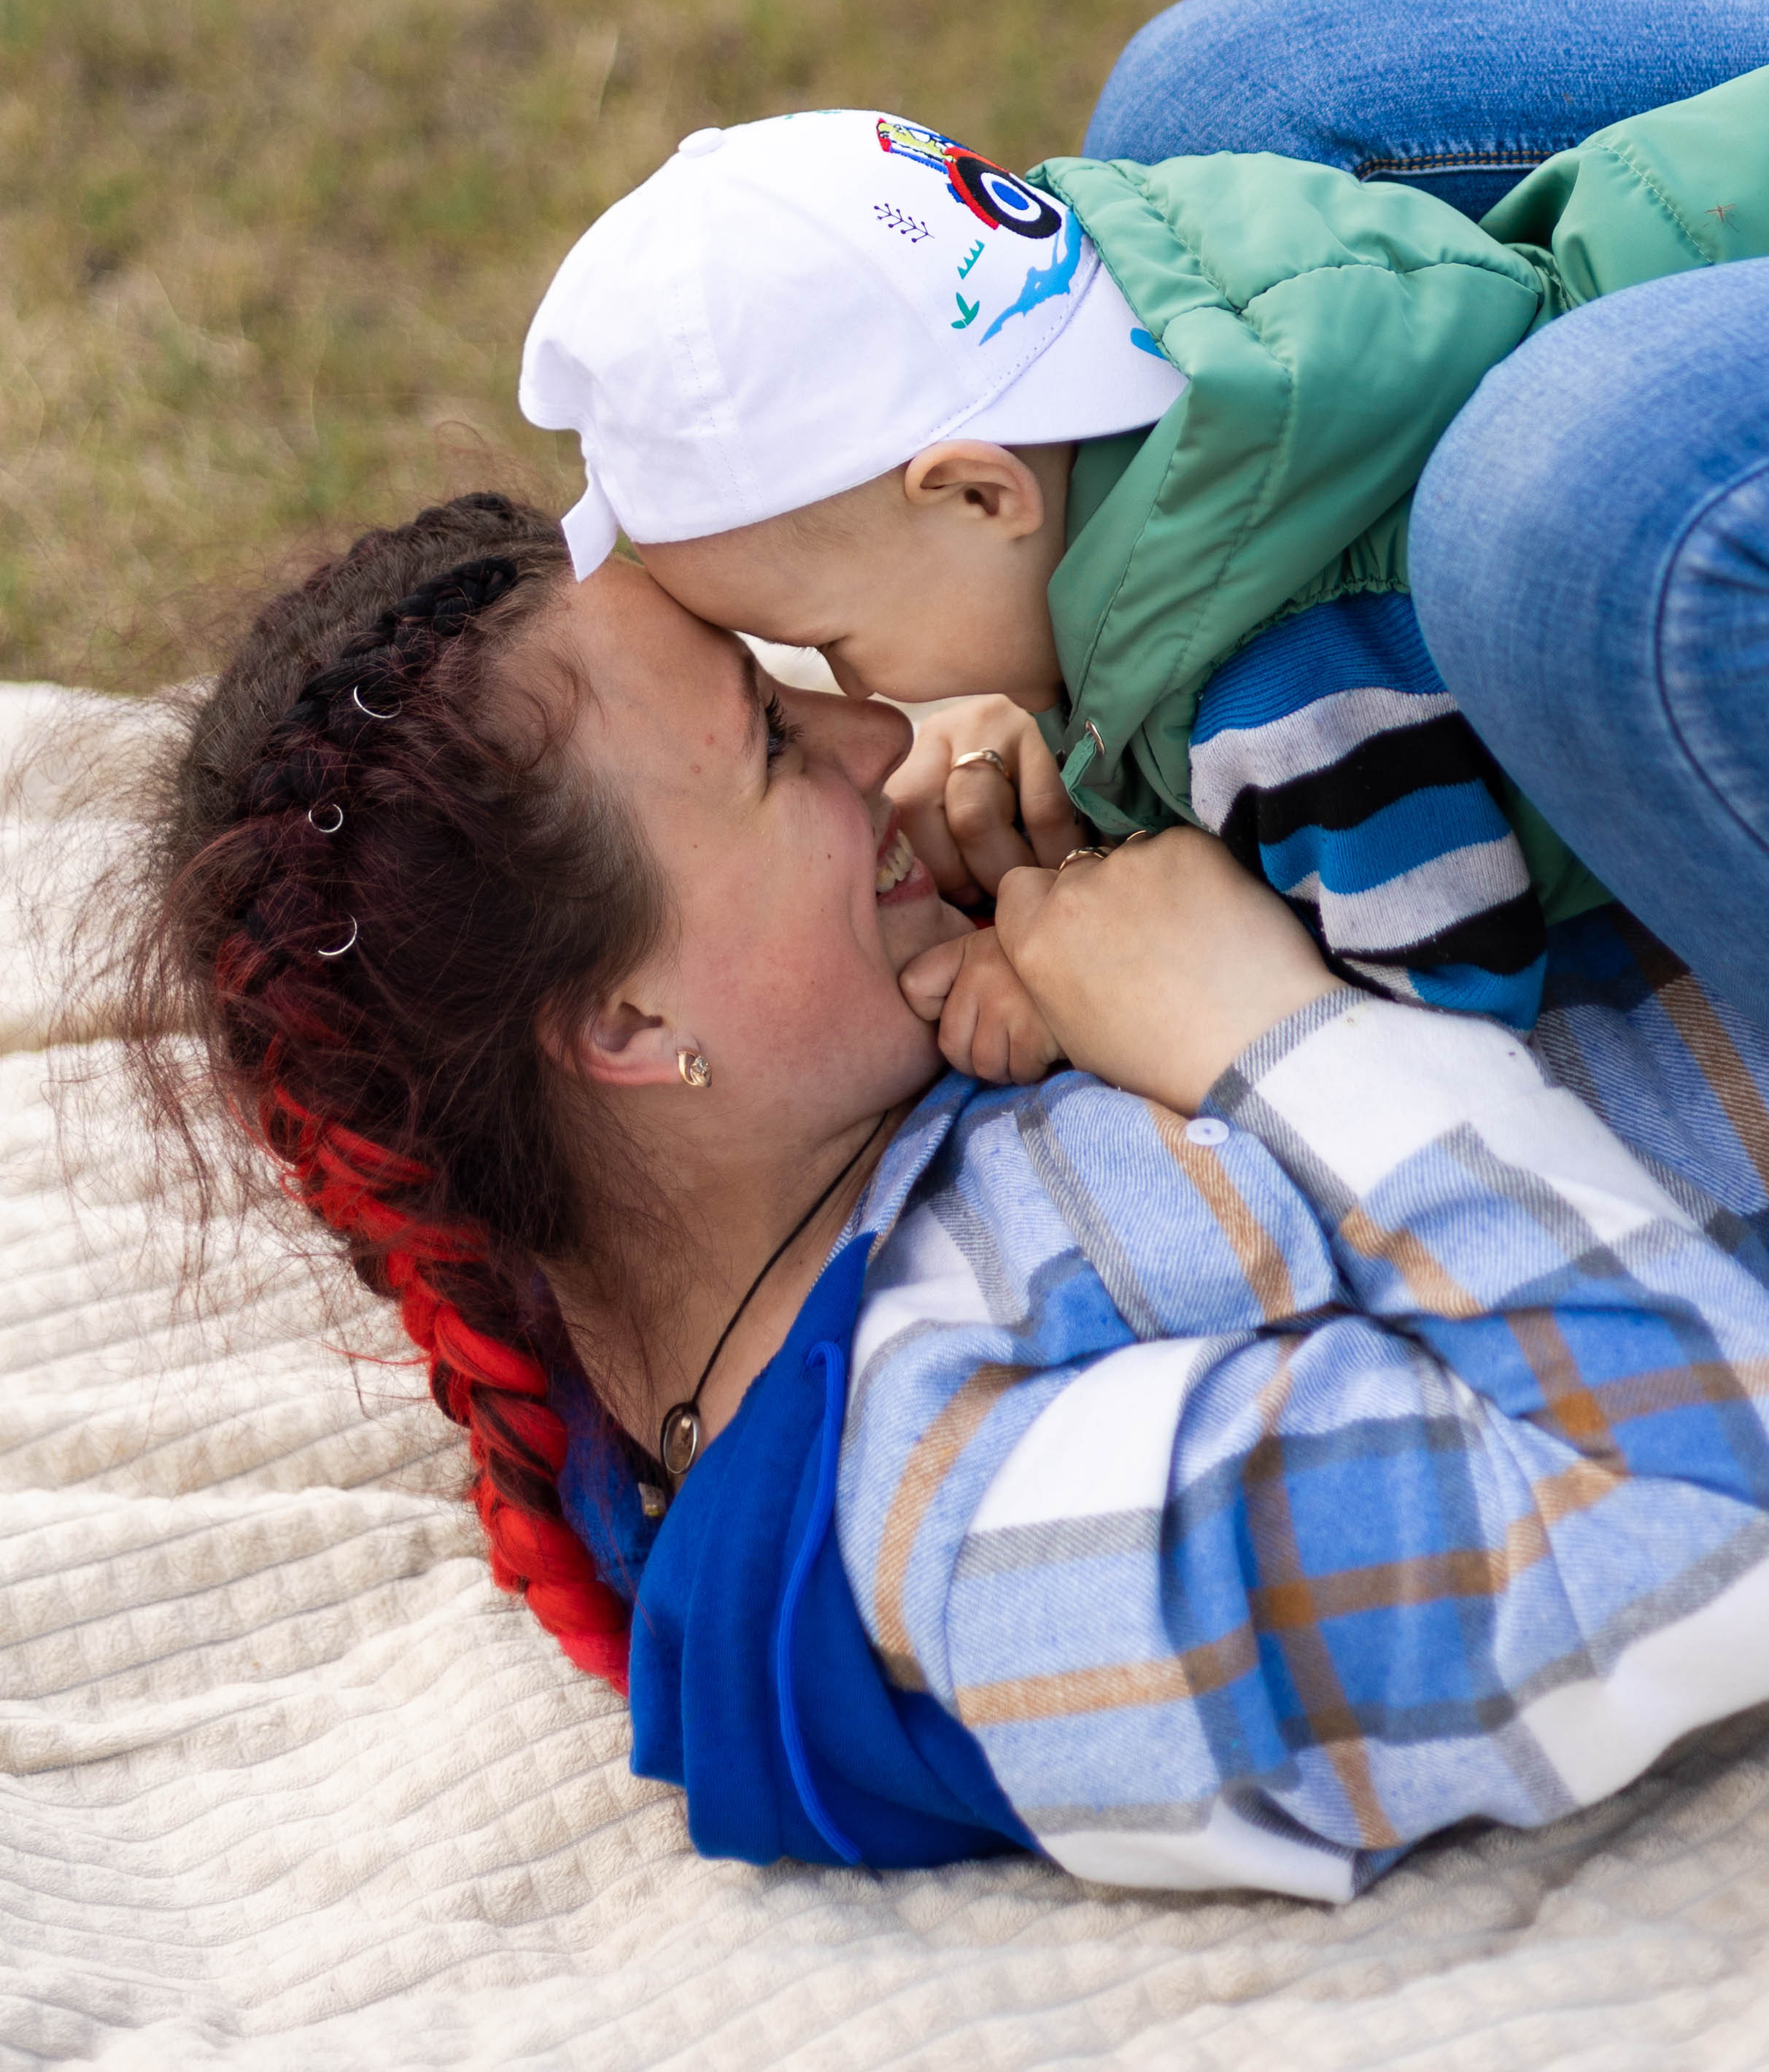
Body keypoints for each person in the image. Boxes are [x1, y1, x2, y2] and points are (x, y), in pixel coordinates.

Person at [133, 489, 1769, 1898]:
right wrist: (1263, 1033)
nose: (878, 736)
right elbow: (1694, 1518)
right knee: (1553, 479)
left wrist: (1112, 762)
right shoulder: (971, 1541)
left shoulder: (879, 1099)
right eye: (773, 744)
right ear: (628, 1022)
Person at [519, 35, 1769, 1036]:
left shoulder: (1273, 695)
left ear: (979, 495)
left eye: (831, 644)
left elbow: (1451, 980)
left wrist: (1085, 994)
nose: (864, 702)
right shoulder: (1199, 290)